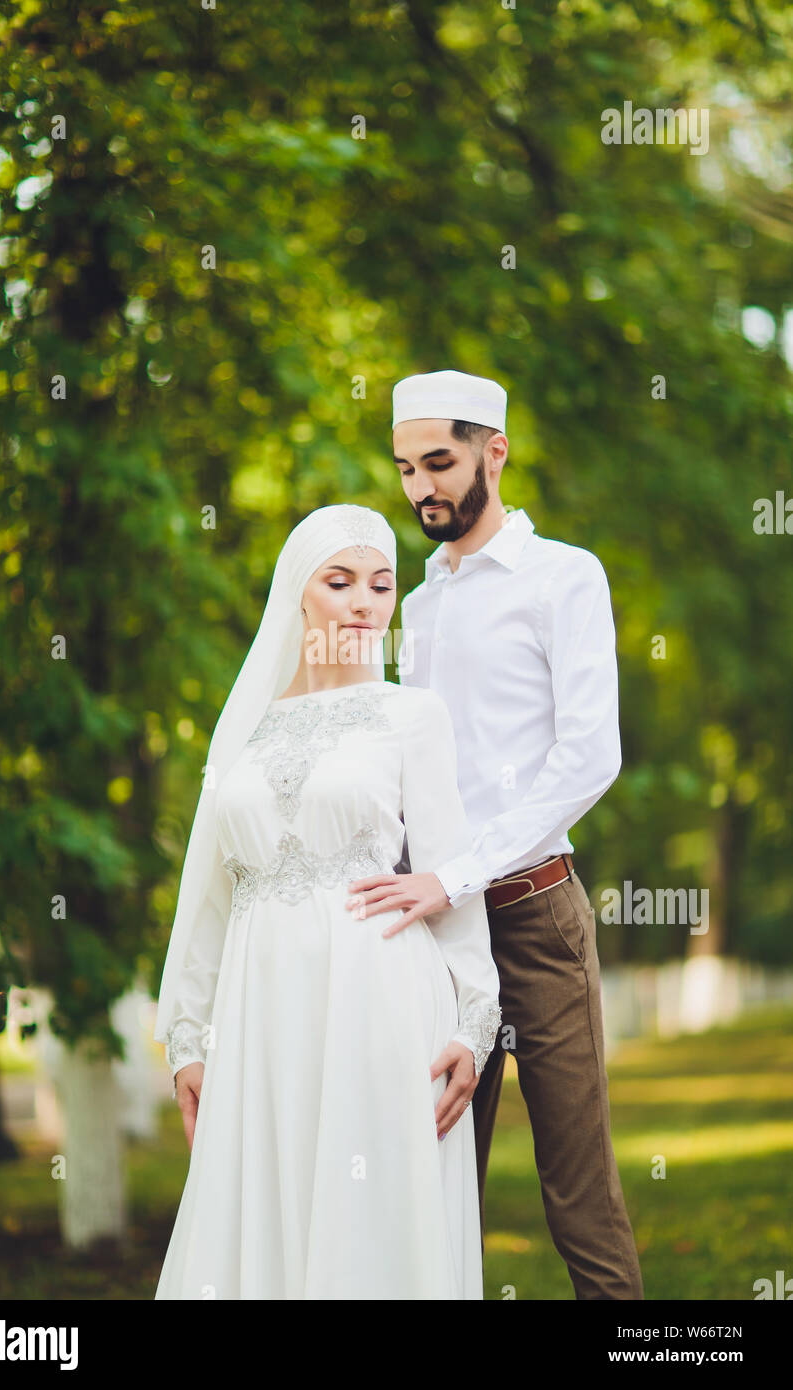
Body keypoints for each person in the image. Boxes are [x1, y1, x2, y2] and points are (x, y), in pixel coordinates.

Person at [346, 371, 644, 1300]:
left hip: (533, 917)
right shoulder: (420, 601)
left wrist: (459, 872)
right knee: (434, 1186)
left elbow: (590, 758)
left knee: (578, 1197)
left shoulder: (566, 577)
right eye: (406, 468)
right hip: (434, 939)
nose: (422, 487)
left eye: (440, 462)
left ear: (495, 451)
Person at [153, 504, 501, 1300]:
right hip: (257, 1017)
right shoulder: (242, 730)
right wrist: (187, 1039)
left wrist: (474, 1025)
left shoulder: (412, 715)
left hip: (380, 1003)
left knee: (368, 1222)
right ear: (297, 597)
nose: (363, 602)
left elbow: (450, 881)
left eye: (381, 585)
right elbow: (207, 898)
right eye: (339, 582)